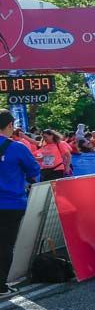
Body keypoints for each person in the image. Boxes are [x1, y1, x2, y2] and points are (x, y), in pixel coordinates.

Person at [0, 110, 41, 297]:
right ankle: (1, 286)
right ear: (9, 125)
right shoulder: (17, 147)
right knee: (5, 245)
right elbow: (33, 170)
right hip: (10, 203)